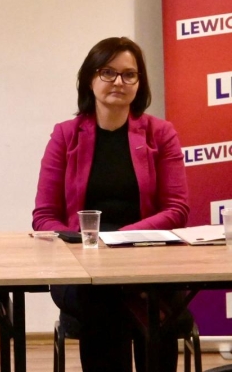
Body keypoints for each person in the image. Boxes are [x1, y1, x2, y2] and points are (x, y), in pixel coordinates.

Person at [33, 36, 189, 372]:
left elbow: (176, 209)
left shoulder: (160, 134)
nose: (119, 81)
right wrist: (86, 246)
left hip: (147, 259)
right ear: (89, 79)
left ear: (139, 83)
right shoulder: (65, 135)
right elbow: (44, 217)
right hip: (82, 267)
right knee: (111, 295)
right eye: (108, 72)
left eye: (129, 74)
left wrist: (120, 240)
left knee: (134, 292)